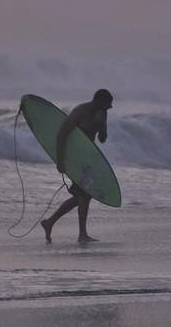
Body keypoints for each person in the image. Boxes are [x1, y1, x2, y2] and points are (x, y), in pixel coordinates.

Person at [41, 89, 113, 244]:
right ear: (98, 101)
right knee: (85, 195)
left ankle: (49, 223)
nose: (109, 109)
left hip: (86, 160)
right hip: (72, 157)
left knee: (80, 197)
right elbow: (62, 134)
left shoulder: (102, 113)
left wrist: (102, 126)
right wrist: (60, 160)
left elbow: (102, 139)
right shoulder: (80, 111)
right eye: (107, 106)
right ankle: (82, 235)